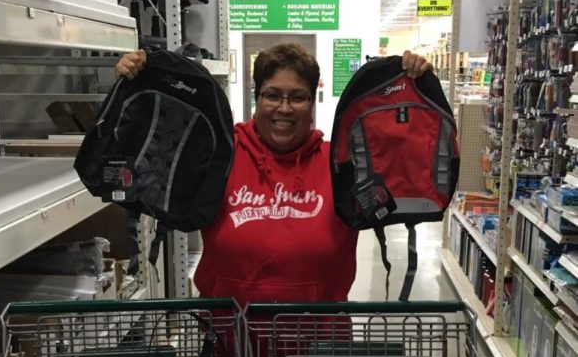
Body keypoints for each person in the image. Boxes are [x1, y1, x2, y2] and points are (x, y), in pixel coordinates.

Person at [115, 44, 431, 308]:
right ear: (257, 98)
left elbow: (406, 162)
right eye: (272, 95)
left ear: (312, 102)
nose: (284, 108)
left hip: (320, 356)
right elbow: (151, 148)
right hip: (232, 347)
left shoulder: (342, 165)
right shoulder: (219, 156)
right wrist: (141, 76)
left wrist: (415, 82)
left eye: (297, 97)